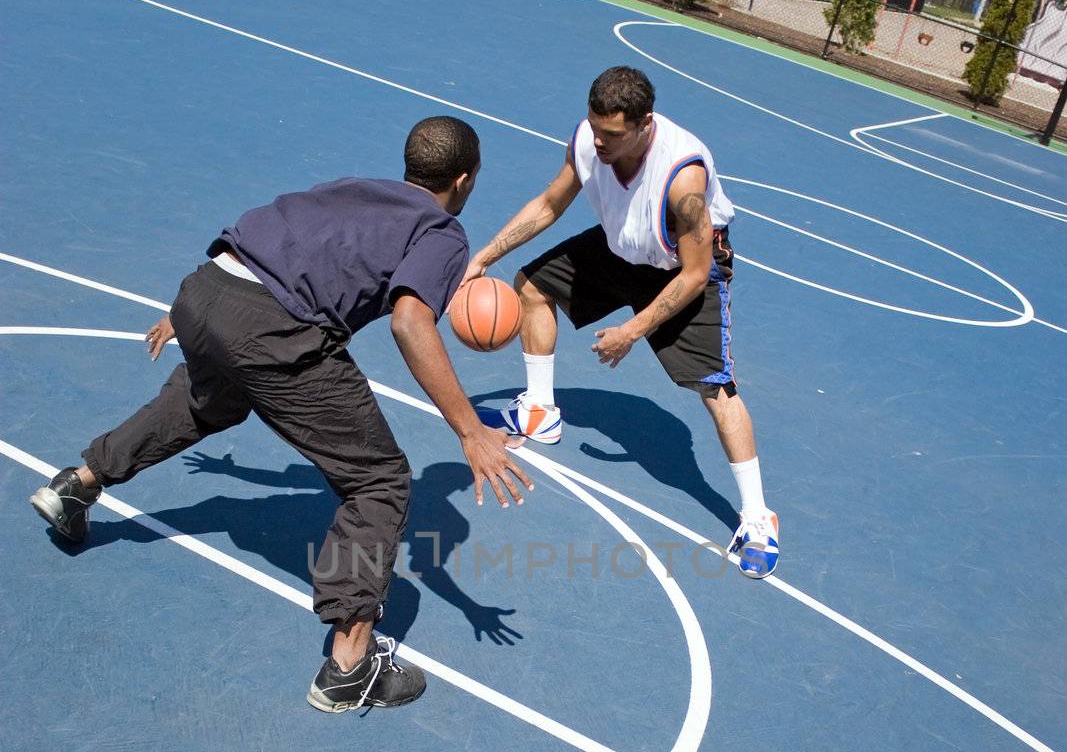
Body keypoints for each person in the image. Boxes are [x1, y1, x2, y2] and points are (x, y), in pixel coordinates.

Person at [30, 116, 533, 711]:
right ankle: (350, 666)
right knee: (378, 480)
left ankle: (77, 485)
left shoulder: (353, 187)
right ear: (465, 179)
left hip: (209, 287)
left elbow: (263, 244)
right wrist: (471, 431)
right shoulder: (442, 230)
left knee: (203, 401)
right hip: (272, 328)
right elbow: (409, 320)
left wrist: (198, 317)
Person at [468, 66, 779, 578]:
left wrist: (632, 332)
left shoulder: (684, 180)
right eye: (595, 129)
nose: (599, 141)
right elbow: (549, 204)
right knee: (531, 287)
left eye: (612, 135)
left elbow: (697, 274)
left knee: (716, 389)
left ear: (644, 125)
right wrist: (485, 256)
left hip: (681, 268)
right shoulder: (590, 142)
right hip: (622, 249)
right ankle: (541, 411)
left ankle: (757, 516)